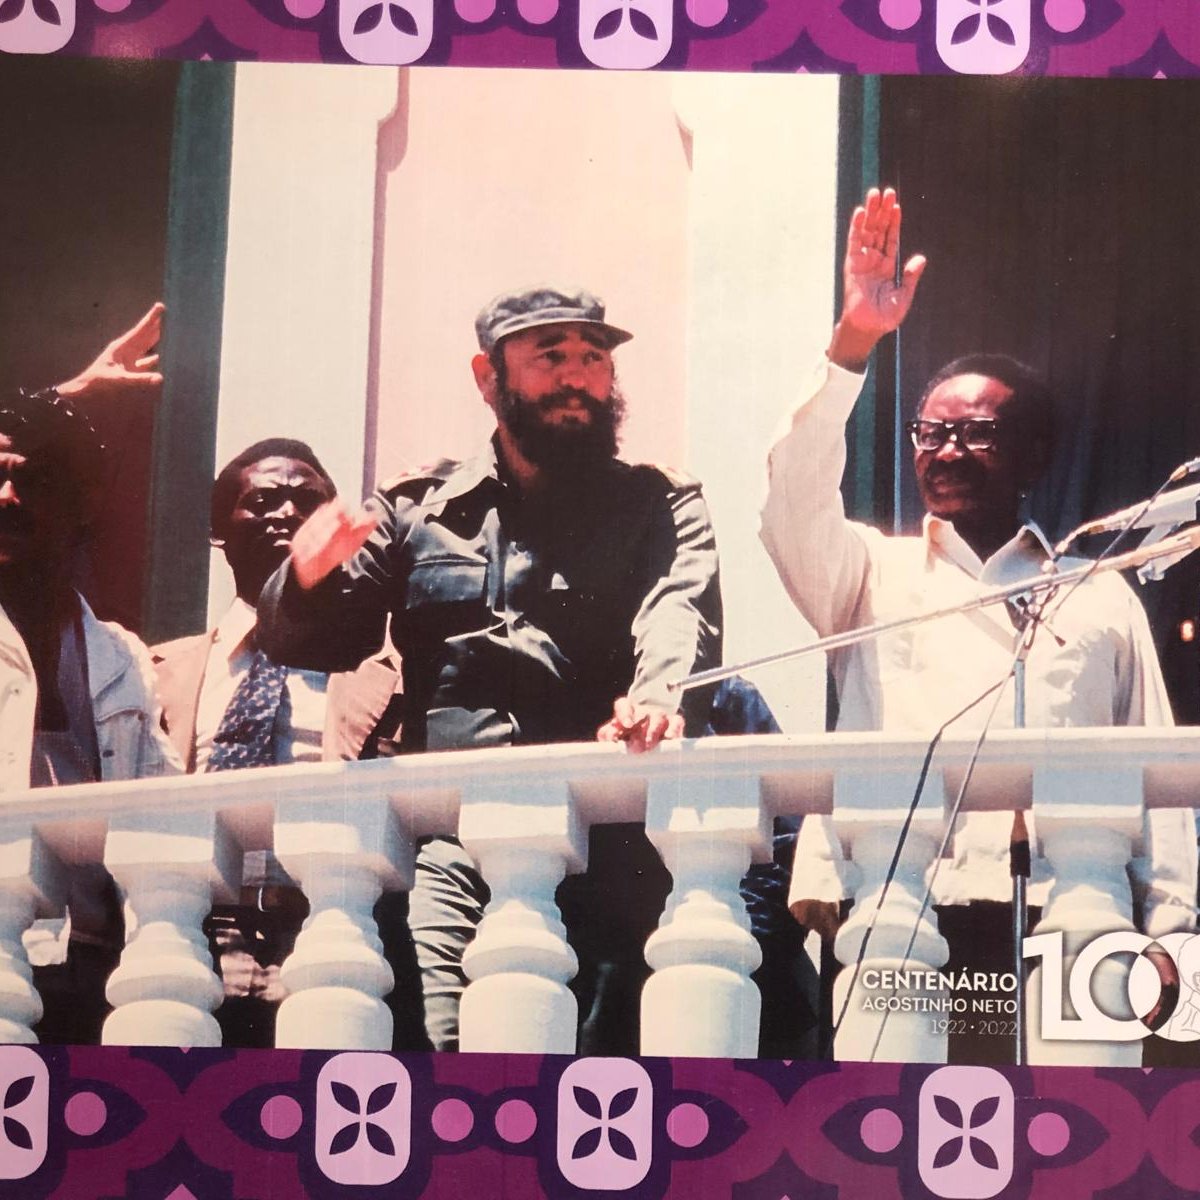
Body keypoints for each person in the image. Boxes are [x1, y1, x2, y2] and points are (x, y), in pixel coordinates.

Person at [759, 187, 1196, 1061]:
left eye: (979, 432)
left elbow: (1158, 785)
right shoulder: (866, 573)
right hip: (897, 901)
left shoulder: (1097, 593)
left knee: (1072, 1145)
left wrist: (1176, 939)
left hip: (1069, 910)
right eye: (930, 430)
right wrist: (854, 342)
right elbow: (789, 498)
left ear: (1035, 456)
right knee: (895, 1142)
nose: (947, 449)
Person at [258, 285, 722, 1051]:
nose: (578, 376)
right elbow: (316, 644)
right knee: (447, 1057)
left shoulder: (659, 504)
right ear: (488, 378)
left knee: (589, 1073)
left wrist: (658, 696)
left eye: (594, 357)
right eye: (551, 357)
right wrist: (304, 578)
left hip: (607, 847)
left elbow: (682, 612)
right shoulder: (415, 507)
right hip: (450, 848)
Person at [151, 437, 405, 1047]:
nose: (286, 515)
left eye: (306, 502)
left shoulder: (393, 668)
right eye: (263, 501)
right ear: (218, 528)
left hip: (334, 930)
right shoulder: (155, 670)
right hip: (191, 936)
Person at [1, 304, 181, 1042]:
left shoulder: (122, 656)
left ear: (79, 507)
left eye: (34, 481)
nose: (9, 498)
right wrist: (65, 396)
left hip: (92, 973)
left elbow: (162, 812)